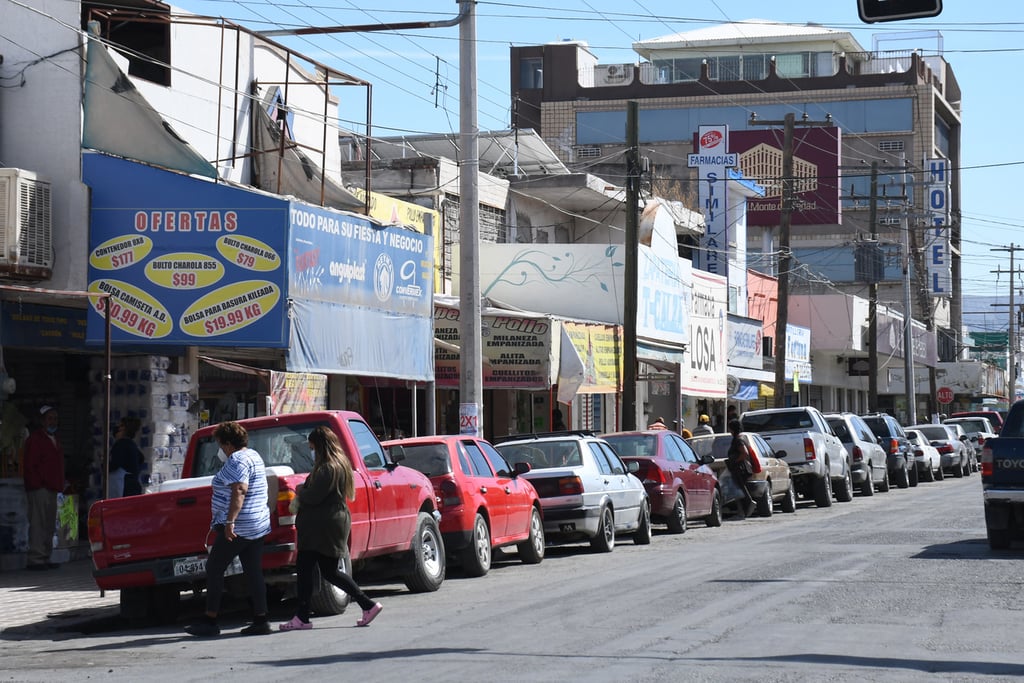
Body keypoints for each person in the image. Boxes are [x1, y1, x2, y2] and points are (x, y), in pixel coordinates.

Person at [279, 425, 382, 631]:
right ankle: (366, 605)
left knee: (309, 570)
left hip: (321, 527)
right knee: (328, 571)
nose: (311, 451)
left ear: (320, 446)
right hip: (326, 525)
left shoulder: (328, 468)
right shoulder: (338, 465)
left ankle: (303, 617)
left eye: (312, 447)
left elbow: (313, 496)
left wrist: (301, 490)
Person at [185, 421, 272, 637]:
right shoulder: (254, 455)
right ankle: (261, 619)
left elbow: (240, 489)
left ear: (228, 443)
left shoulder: (237, 460)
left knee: (215, 568)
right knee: (253, 571)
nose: (220, 449)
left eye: (220, 444)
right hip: (257, 523)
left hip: (239, 526)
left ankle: (210, 620)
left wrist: (230, 521)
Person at [23, 405, 64, 571]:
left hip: (52, 488)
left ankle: (45, 556)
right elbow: (31, 465)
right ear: (42, 421)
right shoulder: (35, 440)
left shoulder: (55, 439)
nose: (53, 421)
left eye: (55, 418)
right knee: (38, 523)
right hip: (39, 488)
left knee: (48, 524)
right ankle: (36, 558)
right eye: (49, 418)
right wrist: (37, 483)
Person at [726, 419, 757, 519]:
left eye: (729, 428)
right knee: (738, 489)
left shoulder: (738, 440)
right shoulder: (737, 439)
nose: (728, 430)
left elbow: (744, 453)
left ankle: (745, 508)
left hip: (739, 469)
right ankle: (742, 512)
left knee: (740, 490)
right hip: (738, 468)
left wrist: (735, 461)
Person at [108, 417, 144, 498]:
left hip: (124, 488)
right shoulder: (131, 444)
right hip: (133, 486)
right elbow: (141, 458)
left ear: (123, 429)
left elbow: (114, 465)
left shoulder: (121, 444)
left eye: (120, 426)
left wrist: (104, 462)